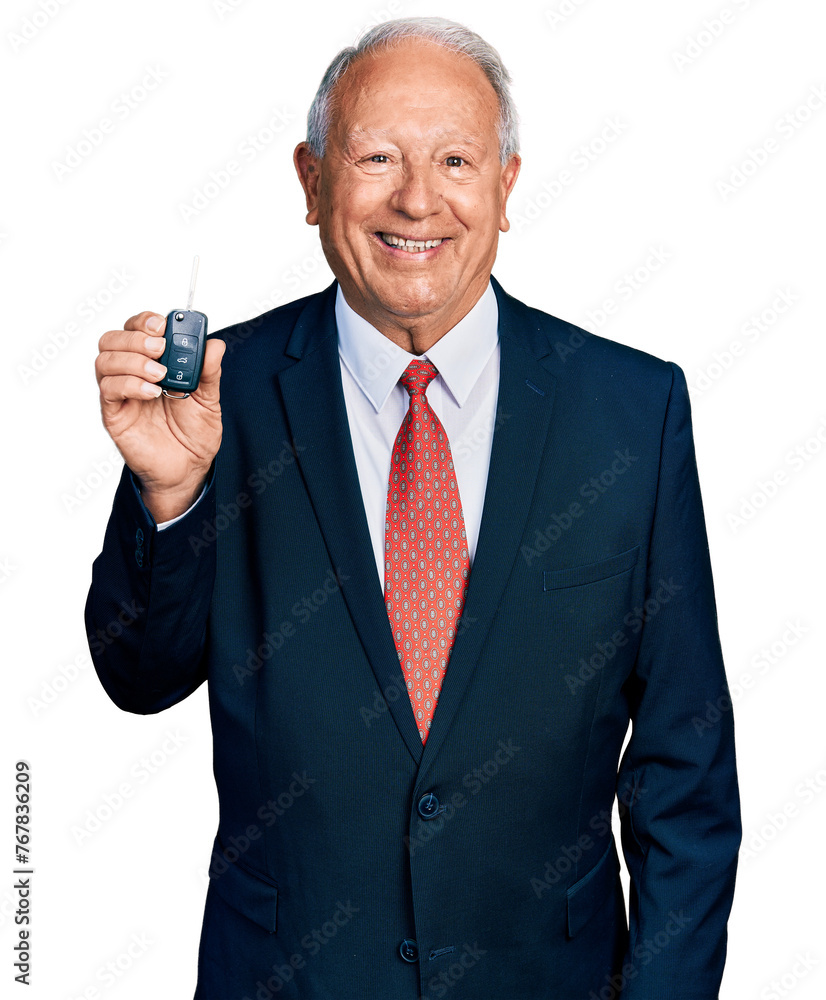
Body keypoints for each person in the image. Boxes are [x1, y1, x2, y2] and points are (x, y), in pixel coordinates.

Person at [86, 16, 741, 1000]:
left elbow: (683, 782)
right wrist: (168, 496)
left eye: (455, 160)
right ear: (311, 183)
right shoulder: (220, 396)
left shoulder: (630, 412)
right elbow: (138, 677)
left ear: (507, 187)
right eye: (377, 157)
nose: (417, 198)